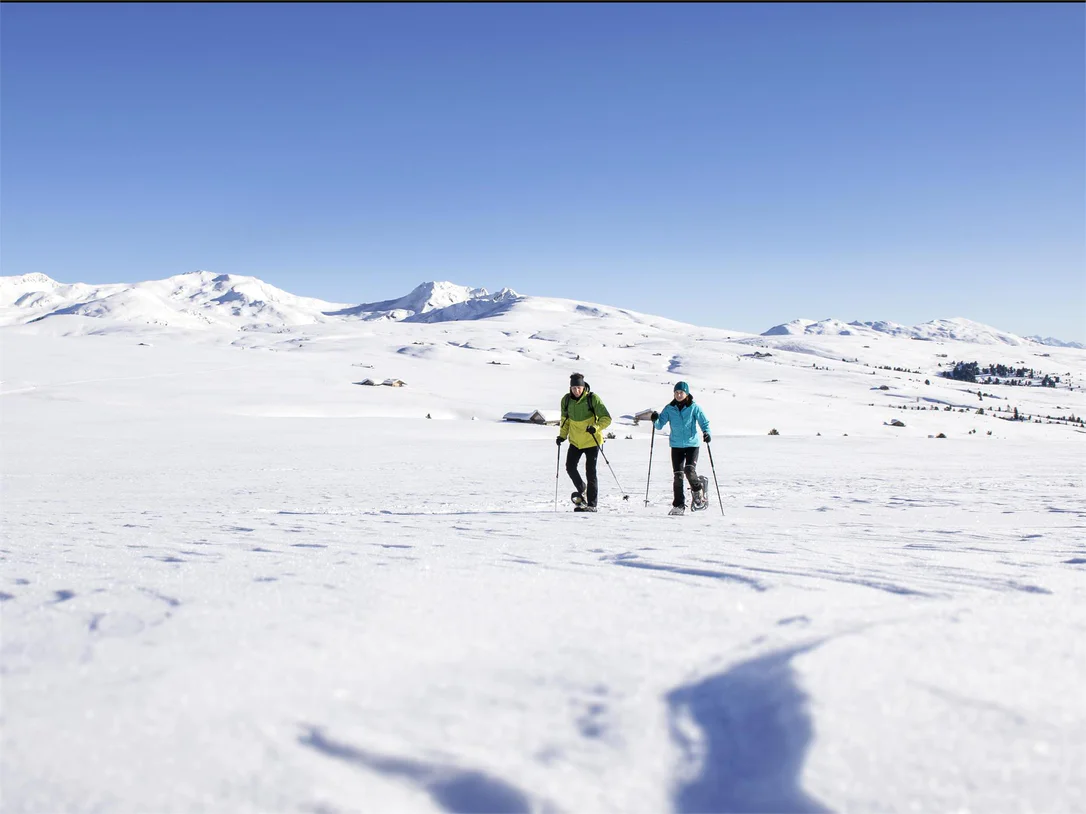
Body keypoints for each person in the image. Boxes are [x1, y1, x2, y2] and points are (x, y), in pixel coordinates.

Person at [651, 381, 711, 511]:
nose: (678, 395)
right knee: (678, 476)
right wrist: (655, 419)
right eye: (676, 393)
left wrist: (706, 433)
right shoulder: (669, 408)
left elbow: (704, 422)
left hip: (692, 445)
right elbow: (659, 425)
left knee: (689, 470)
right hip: (676, 445)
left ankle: (698, 490)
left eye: (681, 393)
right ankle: (678, 505)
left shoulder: (694, 407)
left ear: (686, 393)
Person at [556, 373, 612, 511]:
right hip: (575, 441)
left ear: (583, 387)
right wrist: (562, 436)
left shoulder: (592, 398)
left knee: (590, 472)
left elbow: (606, 418)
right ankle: (583, 490)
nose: (576, 390)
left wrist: (596, 427)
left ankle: (592, 505)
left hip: (592, 440)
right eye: (574, 388)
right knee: (570, 467)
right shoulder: (566, 400)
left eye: (579, 388)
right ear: (570, 388)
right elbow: (565, 421)